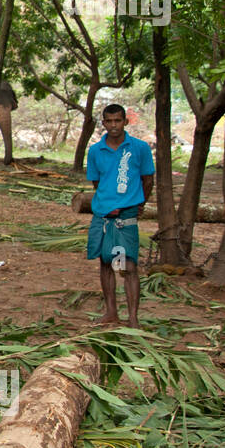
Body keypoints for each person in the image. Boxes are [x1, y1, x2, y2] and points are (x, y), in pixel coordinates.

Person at [85, 103, 155, 328]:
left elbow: (148, 179)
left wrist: (138, 203)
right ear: (103, 123)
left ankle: (133, 317)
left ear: (125, 121)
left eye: (118, 120)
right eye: (109, 121)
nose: (114, 125)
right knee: (106, 262)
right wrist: (108, 201)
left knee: (128, 266)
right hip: (103, 213)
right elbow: (97, 182)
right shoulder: (96, 150)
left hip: (127, 215)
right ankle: (111, 312)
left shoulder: (139, 148)